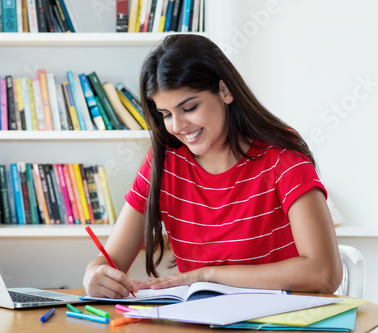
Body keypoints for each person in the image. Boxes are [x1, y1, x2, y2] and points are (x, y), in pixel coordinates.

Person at [83, 34, 342, 299]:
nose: (178, 126)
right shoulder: (165, 161)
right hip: (200, 322)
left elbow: (324, 274)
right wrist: (94, 274)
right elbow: (110, 260)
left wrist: (207, 275)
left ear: (225, 91)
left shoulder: (281, 156)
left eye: (190, 107)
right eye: (166, 114)